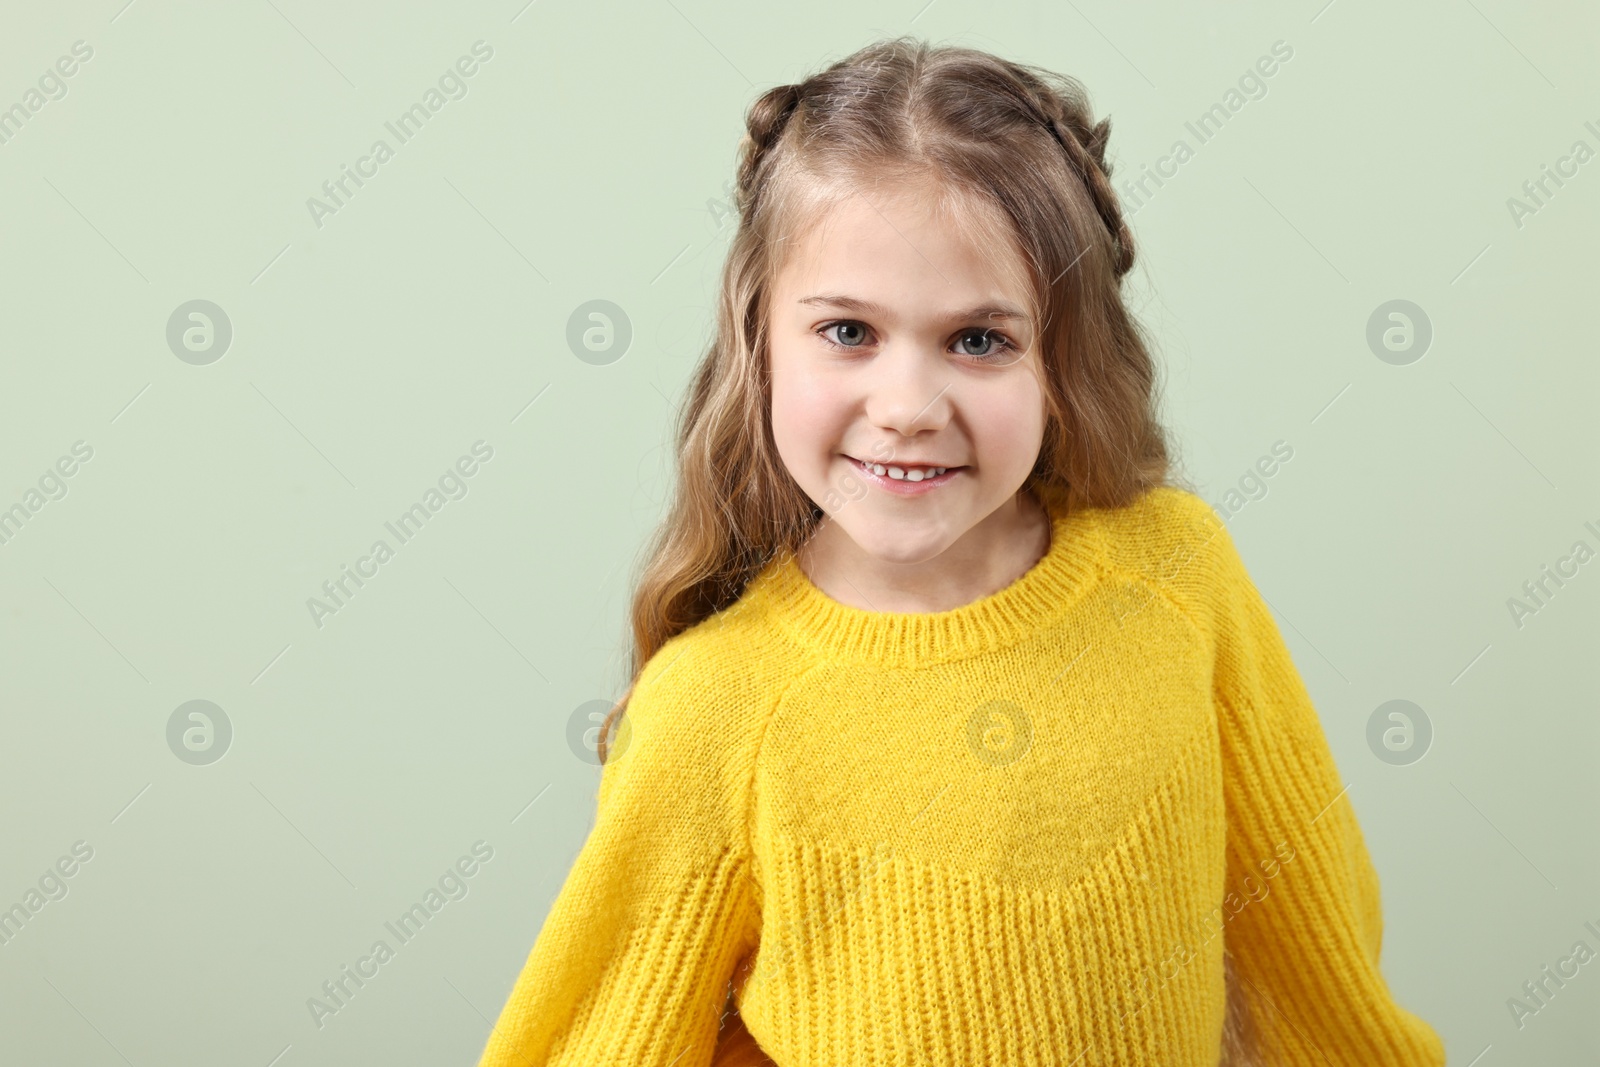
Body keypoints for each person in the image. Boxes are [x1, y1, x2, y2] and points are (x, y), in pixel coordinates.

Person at [473, 36, 1447, 1067]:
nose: (905, 409)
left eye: (979, 340)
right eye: (847, 330)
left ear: (1060, 356)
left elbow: (1309, 943)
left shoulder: (1174, 571)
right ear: (759, 337)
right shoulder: (713, 708)